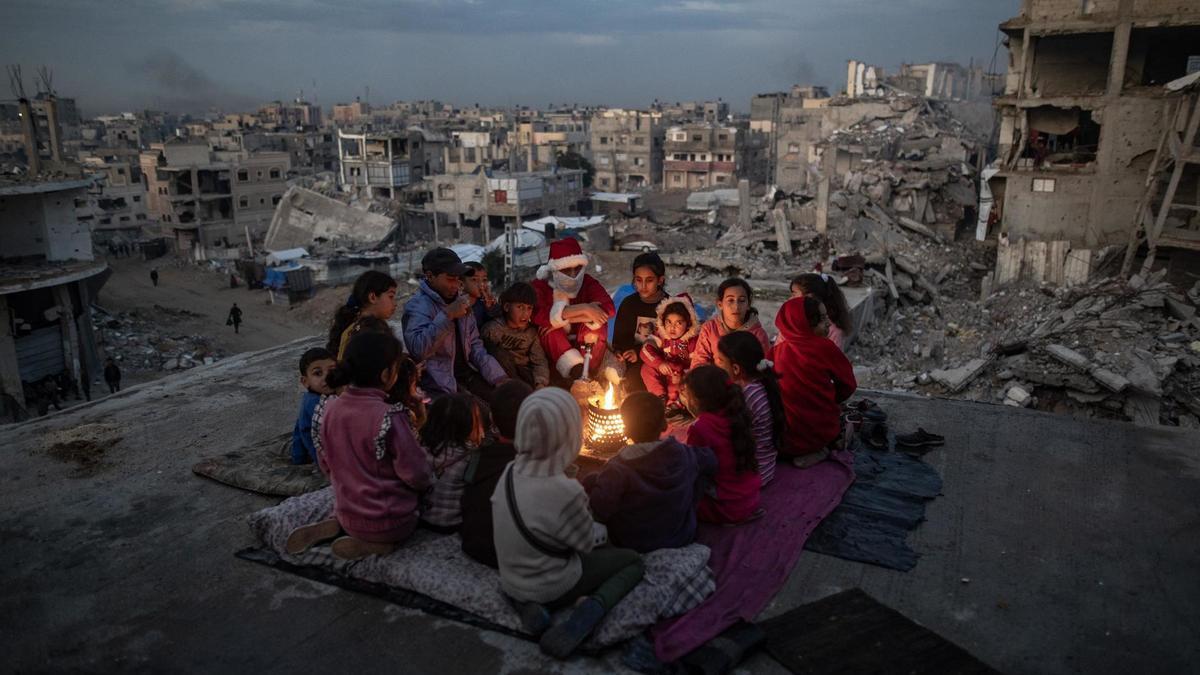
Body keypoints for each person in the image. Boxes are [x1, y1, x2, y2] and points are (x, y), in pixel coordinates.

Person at [492, 387, 645, 658]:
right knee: (632, 561)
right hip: (552, 582)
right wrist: (603, 529)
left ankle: (528, 605)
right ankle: (588, 614)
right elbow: (585, 543)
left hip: (511, 579)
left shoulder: (509, 470)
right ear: (569, 435)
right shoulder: (565, 490)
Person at [286, 332, 433, 560]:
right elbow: (416, 474)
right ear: (386, 374)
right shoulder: (390, 416)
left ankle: (339, 524)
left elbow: (326, 464)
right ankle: (378, 545)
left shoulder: (329, 410)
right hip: (390, 521)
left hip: (347, 510)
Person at [581, 392, 717, 553]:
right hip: (680, 535)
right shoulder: (684, 454)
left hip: (633, 541)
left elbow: (601, 508)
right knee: (696, 471)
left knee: (591, 480)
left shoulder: (617, 468)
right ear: (664, 425)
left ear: (625, 430)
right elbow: (711, 461)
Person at [403, 248, 506, 400]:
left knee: (505, 399)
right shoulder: (418, 306)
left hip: (466, 374)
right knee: (477, 415)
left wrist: (499, 378)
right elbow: (419, 349)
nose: (456, 285)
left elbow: (475, 347)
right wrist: (447, 315)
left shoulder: (461, 302)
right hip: (437, 383)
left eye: (458, 279)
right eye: (450, 279)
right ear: (430, 276)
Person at [772, 296, 857, 468]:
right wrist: (829, 399)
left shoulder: (775, 352)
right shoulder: (825, 347)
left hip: (781, 439)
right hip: (818, 433)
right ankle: (820, 450)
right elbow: (848, 385)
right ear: (804, 324)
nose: (828, 324)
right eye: (822, 319)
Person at [460, 379, 534, 568]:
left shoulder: (476, 457)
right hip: (511, 557)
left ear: (491, 418)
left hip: (474, 544)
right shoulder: (535, 466)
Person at [682, 365, 762, 525]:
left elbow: (694, 467)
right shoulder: (739, 413)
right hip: (751, 500)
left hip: (726, 509)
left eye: (686, 394)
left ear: (696, 399)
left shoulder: (700, 428)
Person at [530, 238, 615, 381]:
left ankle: (588, 372)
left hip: (585, 342)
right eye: (567, 270)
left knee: (598, 324)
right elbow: (538, 314)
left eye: (578, 268)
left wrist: (565, 317)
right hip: (556, 347)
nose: (573, 274)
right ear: (555, 270)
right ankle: (576, 371)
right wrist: (586, 309)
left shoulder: (588, 282)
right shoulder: (540, 286)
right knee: (548, 329)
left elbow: (608, 309)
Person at [715, 332, 784, 486]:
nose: (716, 364)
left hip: (752, 474)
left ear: (735, 368)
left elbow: (730, 434)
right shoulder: (763, 382)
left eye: (720, 361)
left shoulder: (746, 395)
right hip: (767, 467)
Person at [612, 252, 681, 392]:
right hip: (633, 361)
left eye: (649, 280)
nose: (643, 286)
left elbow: (675, 341)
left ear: (660, 280)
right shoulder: (629, 304)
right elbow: (620, 338)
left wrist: (638, 352)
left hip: (661, 360)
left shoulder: (669, 306)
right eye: (638, 280)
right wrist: (622, 351)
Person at [419, 393, 484, 532]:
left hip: (423, 519)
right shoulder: (471, 457)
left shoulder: (422, 449)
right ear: (469, 424)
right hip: (453, 523)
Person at [481, 282, 550, 389]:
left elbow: (539, 361)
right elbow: (483, 356)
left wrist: (540, 383)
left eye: (529, 308)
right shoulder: (493, 329)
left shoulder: (531, 333)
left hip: (524, 373)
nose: (525, 314)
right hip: (500, 374)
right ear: (507, 307)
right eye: (520, 307)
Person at [640, 296, 700, 416]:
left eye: (679, 323)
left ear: (688, 324)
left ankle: (675, 404)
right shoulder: (661, 335)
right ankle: (659, 397)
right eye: (669, 322)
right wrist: (659, 363)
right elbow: (645, 350)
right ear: (663, 321)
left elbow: (698, 364)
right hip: (665, 370)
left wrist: (683, 376)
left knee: (687, 386)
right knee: (645, 369)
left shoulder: (693, 341)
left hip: (682, 376)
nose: (672, 327)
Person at [690, 278, 771, 369]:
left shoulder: (758, 335)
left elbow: (764, 369)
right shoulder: (710, 329)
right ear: (720, 304)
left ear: (748, 305)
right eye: (730, 300)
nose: (736, 306)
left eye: (742, 300)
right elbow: (698, 364)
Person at [325, 270, 399, 358]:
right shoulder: (367, 334)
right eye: (391, 297)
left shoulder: (357, 327)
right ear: (372, 297)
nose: (395, 303)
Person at [290, 347, 336, 466]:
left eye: (332, 371)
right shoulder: (315, 403)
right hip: (329, 462)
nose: (327, 377)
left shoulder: (314, 397)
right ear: (305, 382)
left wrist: (297, 456)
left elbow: (298, 430)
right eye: (317, 373)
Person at [790, 273, 853, 351]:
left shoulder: (833, 331)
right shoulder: (795, 322)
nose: (790, 298)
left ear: (810, 297)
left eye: (794, 294)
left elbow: (833, 360)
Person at [463, 261, 501, 331]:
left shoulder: (484, 304)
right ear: (461, 283)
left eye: (484, 280)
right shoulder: (456, 304)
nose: (481, 284)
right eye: (474, 279)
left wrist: (491, 308)